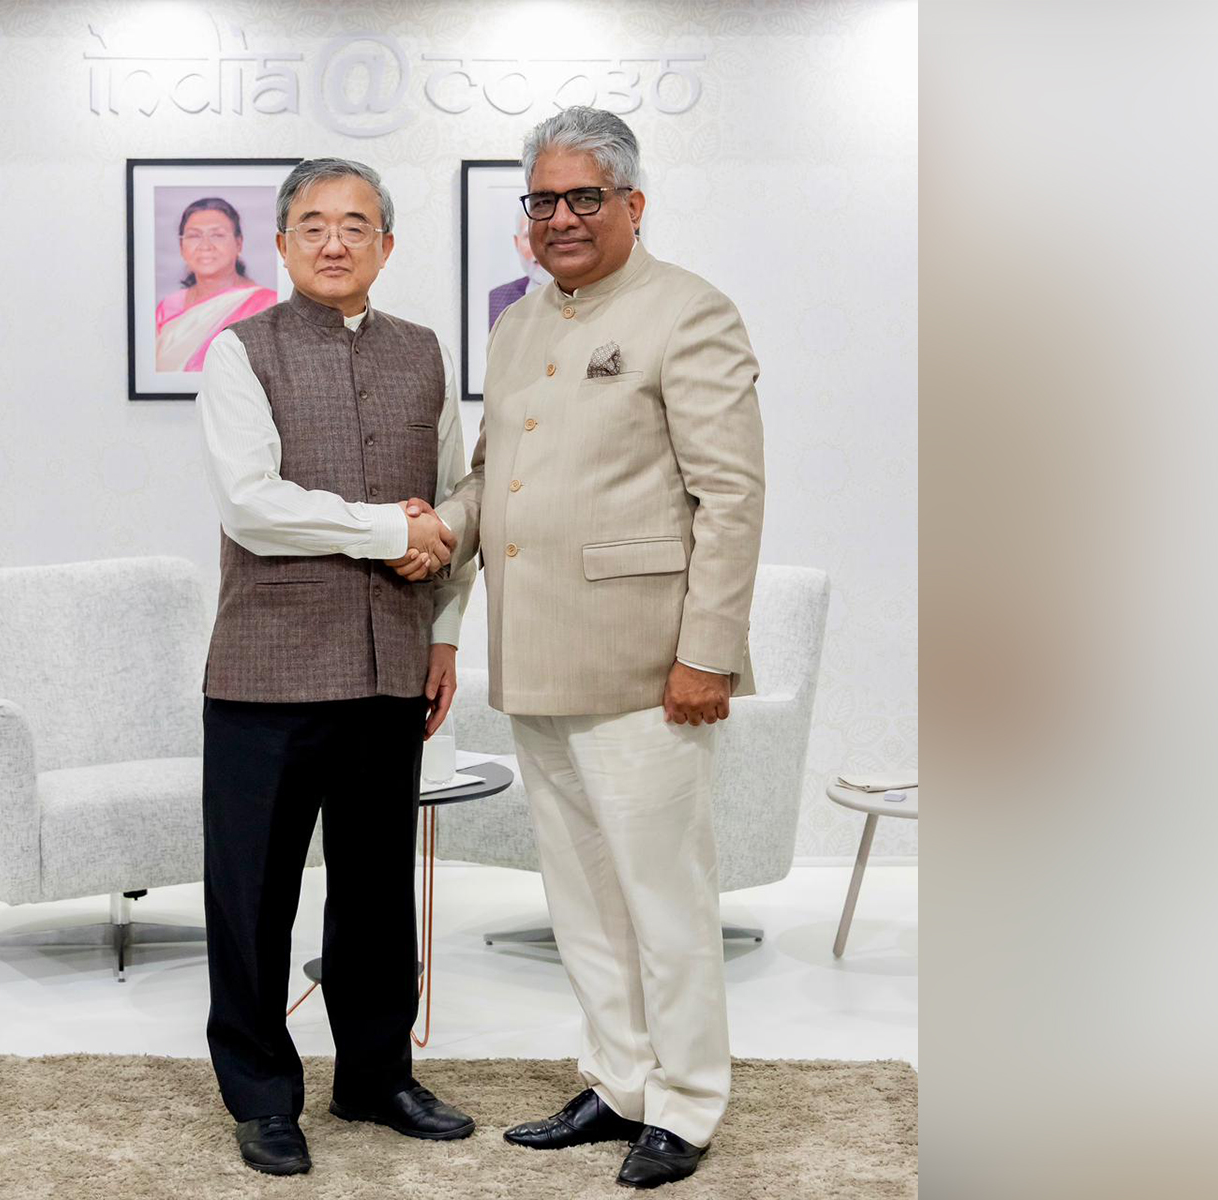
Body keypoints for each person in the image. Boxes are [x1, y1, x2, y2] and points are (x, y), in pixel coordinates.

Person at [434, 107, 766, 1190]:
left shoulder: (689, 311)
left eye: (585, 197)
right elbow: (492, 478)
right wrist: (432, 531)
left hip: (646, 668)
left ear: (633, 203)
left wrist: (708, 653)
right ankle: (620, 1081)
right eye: (543, 200)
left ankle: (688, 1102)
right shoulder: (517, 322)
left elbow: (731, 497)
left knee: (663, 900)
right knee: (580, 896)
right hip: (536, 658)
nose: (562, 218)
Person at [195, 157, 478, 1178]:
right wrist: (384, 528)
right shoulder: (240, 351)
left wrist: (445, 634)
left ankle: (374, 1076)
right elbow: (252, 504)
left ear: (385, 246)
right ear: (280, 244)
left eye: (355, 224)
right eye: (311, 224)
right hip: (264, 674)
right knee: (252, 898)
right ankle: (261, 1096)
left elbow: (455, 499)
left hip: (391, 663)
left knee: (375, 893)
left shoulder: (423, 352)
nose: (332, 241)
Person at [155, 196, 278, 372]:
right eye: (194, 235)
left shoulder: (268, 304)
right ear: (181, 247)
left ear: (239, 243)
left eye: (217, 235)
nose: (205, 246)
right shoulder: (168, 307)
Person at [486, 211, 552, 330]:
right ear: (517, 243)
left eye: (549, 235)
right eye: (529, 236)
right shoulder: (496, 300)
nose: (538, 248)